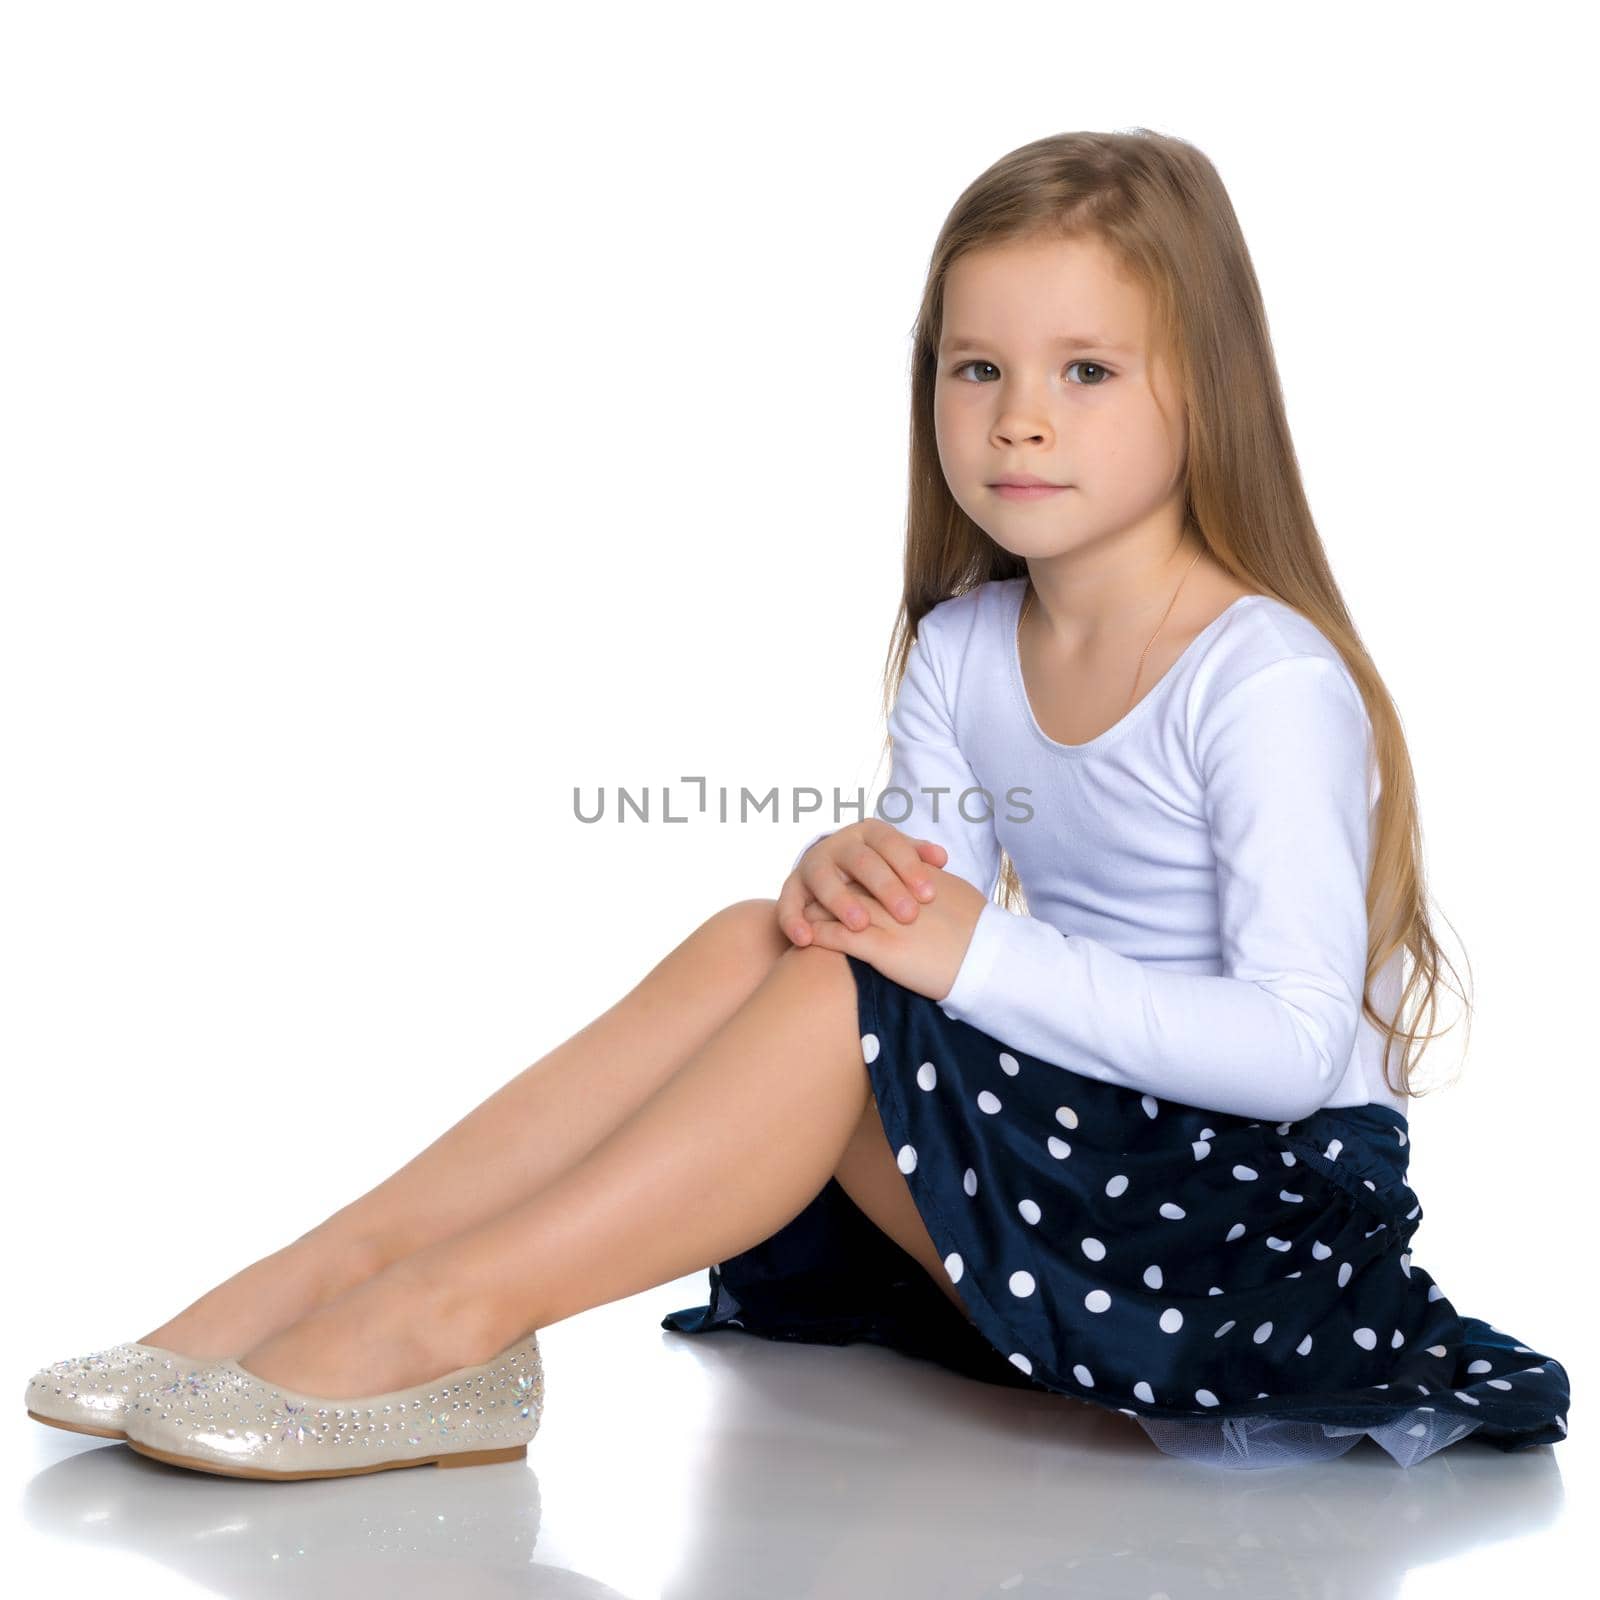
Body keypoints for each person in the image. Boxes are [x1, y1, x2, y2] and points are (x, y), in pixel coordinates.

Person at [25, 128, 1571, 1478]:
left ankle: (447, 1319)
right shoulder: (967, 645)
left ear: (1205, 393)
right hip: (1081, 1149)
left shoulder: (1265, 679)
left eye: (1086, 372)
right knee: (760, 937)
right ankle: (344, 1267)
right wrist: (863, 882)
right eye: (980, 370)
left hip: (1244, 1222)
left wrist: (957, 952)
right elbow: (905, 946)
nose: (1020, 418)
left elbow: (1296, 1054)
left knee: (840, 989)